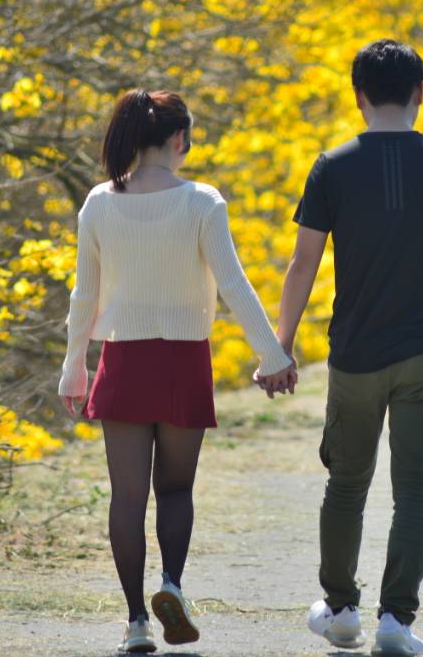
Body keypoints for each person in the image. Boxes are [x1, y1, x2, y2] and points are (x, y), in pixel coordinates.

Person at [273, 39, 423, 657]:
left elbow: (303, 263)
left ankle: (342, 609)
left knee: (346, 484)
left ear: (358, 97)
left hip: (354, 355)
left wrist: (281, 344)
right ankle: (396, 623)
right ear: (419, 93)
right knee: (416, 489)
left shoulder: (332, 165)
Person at [59, 88, 298, 655]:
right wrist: (273, 355)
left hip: (121, 358)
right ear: (179, 139)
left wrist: (74, 364)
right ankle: (172, 585)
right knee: (175, 487)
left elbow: (83, 295)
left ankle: (137, 620)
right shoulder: (201, 202)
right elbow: (234, 284)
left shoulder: (98, 202)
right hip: (184, 358)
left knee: (126, 496)